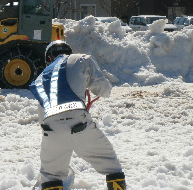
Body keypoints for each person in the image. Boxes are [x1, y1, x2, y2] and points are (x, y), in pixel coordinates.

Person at [30, 41, 126, 190]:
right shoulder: (81, 59)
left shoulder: (41, 78)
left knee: (51, 176)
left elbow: (42, 117)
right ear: (69, 51)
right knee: (112, 167)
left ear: (49, 58)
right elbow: (103, 89)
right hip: (80, 125)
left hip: (51, 131)